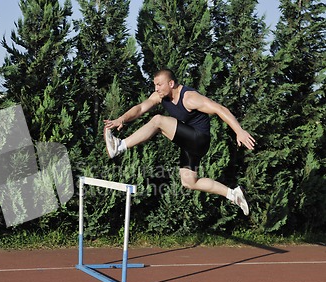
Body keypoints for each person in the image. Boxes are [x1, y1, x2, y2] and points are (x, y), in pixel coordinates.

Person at [104, 68, 256, 215]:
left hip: (199, 138)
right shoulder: (160, 96)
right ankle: (232, 194)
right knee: (190, 182)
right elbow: (140, 108)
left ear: (171, 84)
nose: (156, 89)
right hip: (189, 143)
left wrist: (239, 131)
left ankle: (120, 146)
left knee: (158, 121)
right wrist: (121, 119)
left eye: (159, 85)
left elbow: (219, 109)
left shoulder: (189, 97)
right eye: (155, 85)